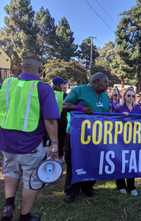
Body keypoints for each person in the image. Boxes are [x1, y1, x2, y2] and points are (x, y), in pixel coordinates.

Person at [0, 55, 59, 221]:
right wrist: (54, 144)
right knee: (31, 179)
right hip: (30, 144)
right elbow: (50, 120)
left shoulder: (7, 83)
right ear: (40, 70)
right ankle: (25, 216)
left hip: (6, 142)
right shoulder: (42, 88)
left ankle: (8, 206)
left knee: (10, 171)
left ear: (22, 68)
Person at [63, 72, 110, 203]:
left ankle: (88, 187)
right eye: (105, 82)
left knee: (93, 161)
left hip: (97, 135)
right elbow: (65, 105)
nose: (107, 85)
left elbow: (109, 112)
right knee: (74, 161)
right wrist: (80, 108)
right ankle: (71, 190)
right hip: (76, 134)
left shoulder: (105, 96)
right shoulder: (79, 90)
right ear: (95, 82)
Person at [114, 87, 141, 197]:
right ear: (124, 96)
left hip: (133, 140)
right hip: (121, 139)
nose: (131, 98)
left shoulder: (139, 108)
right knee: (120, 161)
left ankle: (131, 186)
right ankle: (121, 185)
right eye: (128, 95)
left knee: (131, 162)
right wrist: (122, 118)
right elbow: (112, 121)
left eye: (133, 96)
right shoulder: (118, 107)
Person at [51, 76, 68, 159]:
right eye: (62, 84)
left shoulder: (49, 94)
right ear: (58, 85)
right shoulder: (64, 95)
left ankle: (50, 157)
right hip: (61, 121)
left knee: (51, 140)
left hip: (49, 121)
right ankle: (60, 157)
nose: (64, 86)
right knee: (61, 140)